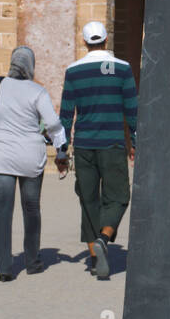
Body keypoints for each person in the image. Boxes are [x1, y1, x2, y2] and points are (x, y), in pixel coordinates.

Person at [58, 21, 138, 278]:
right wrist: (135, 141)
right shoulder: (123, 69)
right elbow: (133, 110)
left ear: (85, 42)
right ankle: (104, 239)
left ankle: (94, 258)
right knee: (118, 197)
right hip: (113, 143)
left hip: (83, 145)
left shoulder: (73, 71)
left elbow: (66, 114)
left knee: (88, 199)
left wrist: (61, 150)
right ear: (106, 40)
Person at [0, 45, 69, 281]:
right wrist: (62, 149)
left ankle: (4, 268)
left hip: (1, 156)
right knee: (31, 208)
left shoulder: (0, 86)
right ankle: (32, 262)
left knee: (2, 210)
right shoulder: (37, 91)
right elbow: (52, 124)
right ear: (31, 66)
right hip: (30, 157)